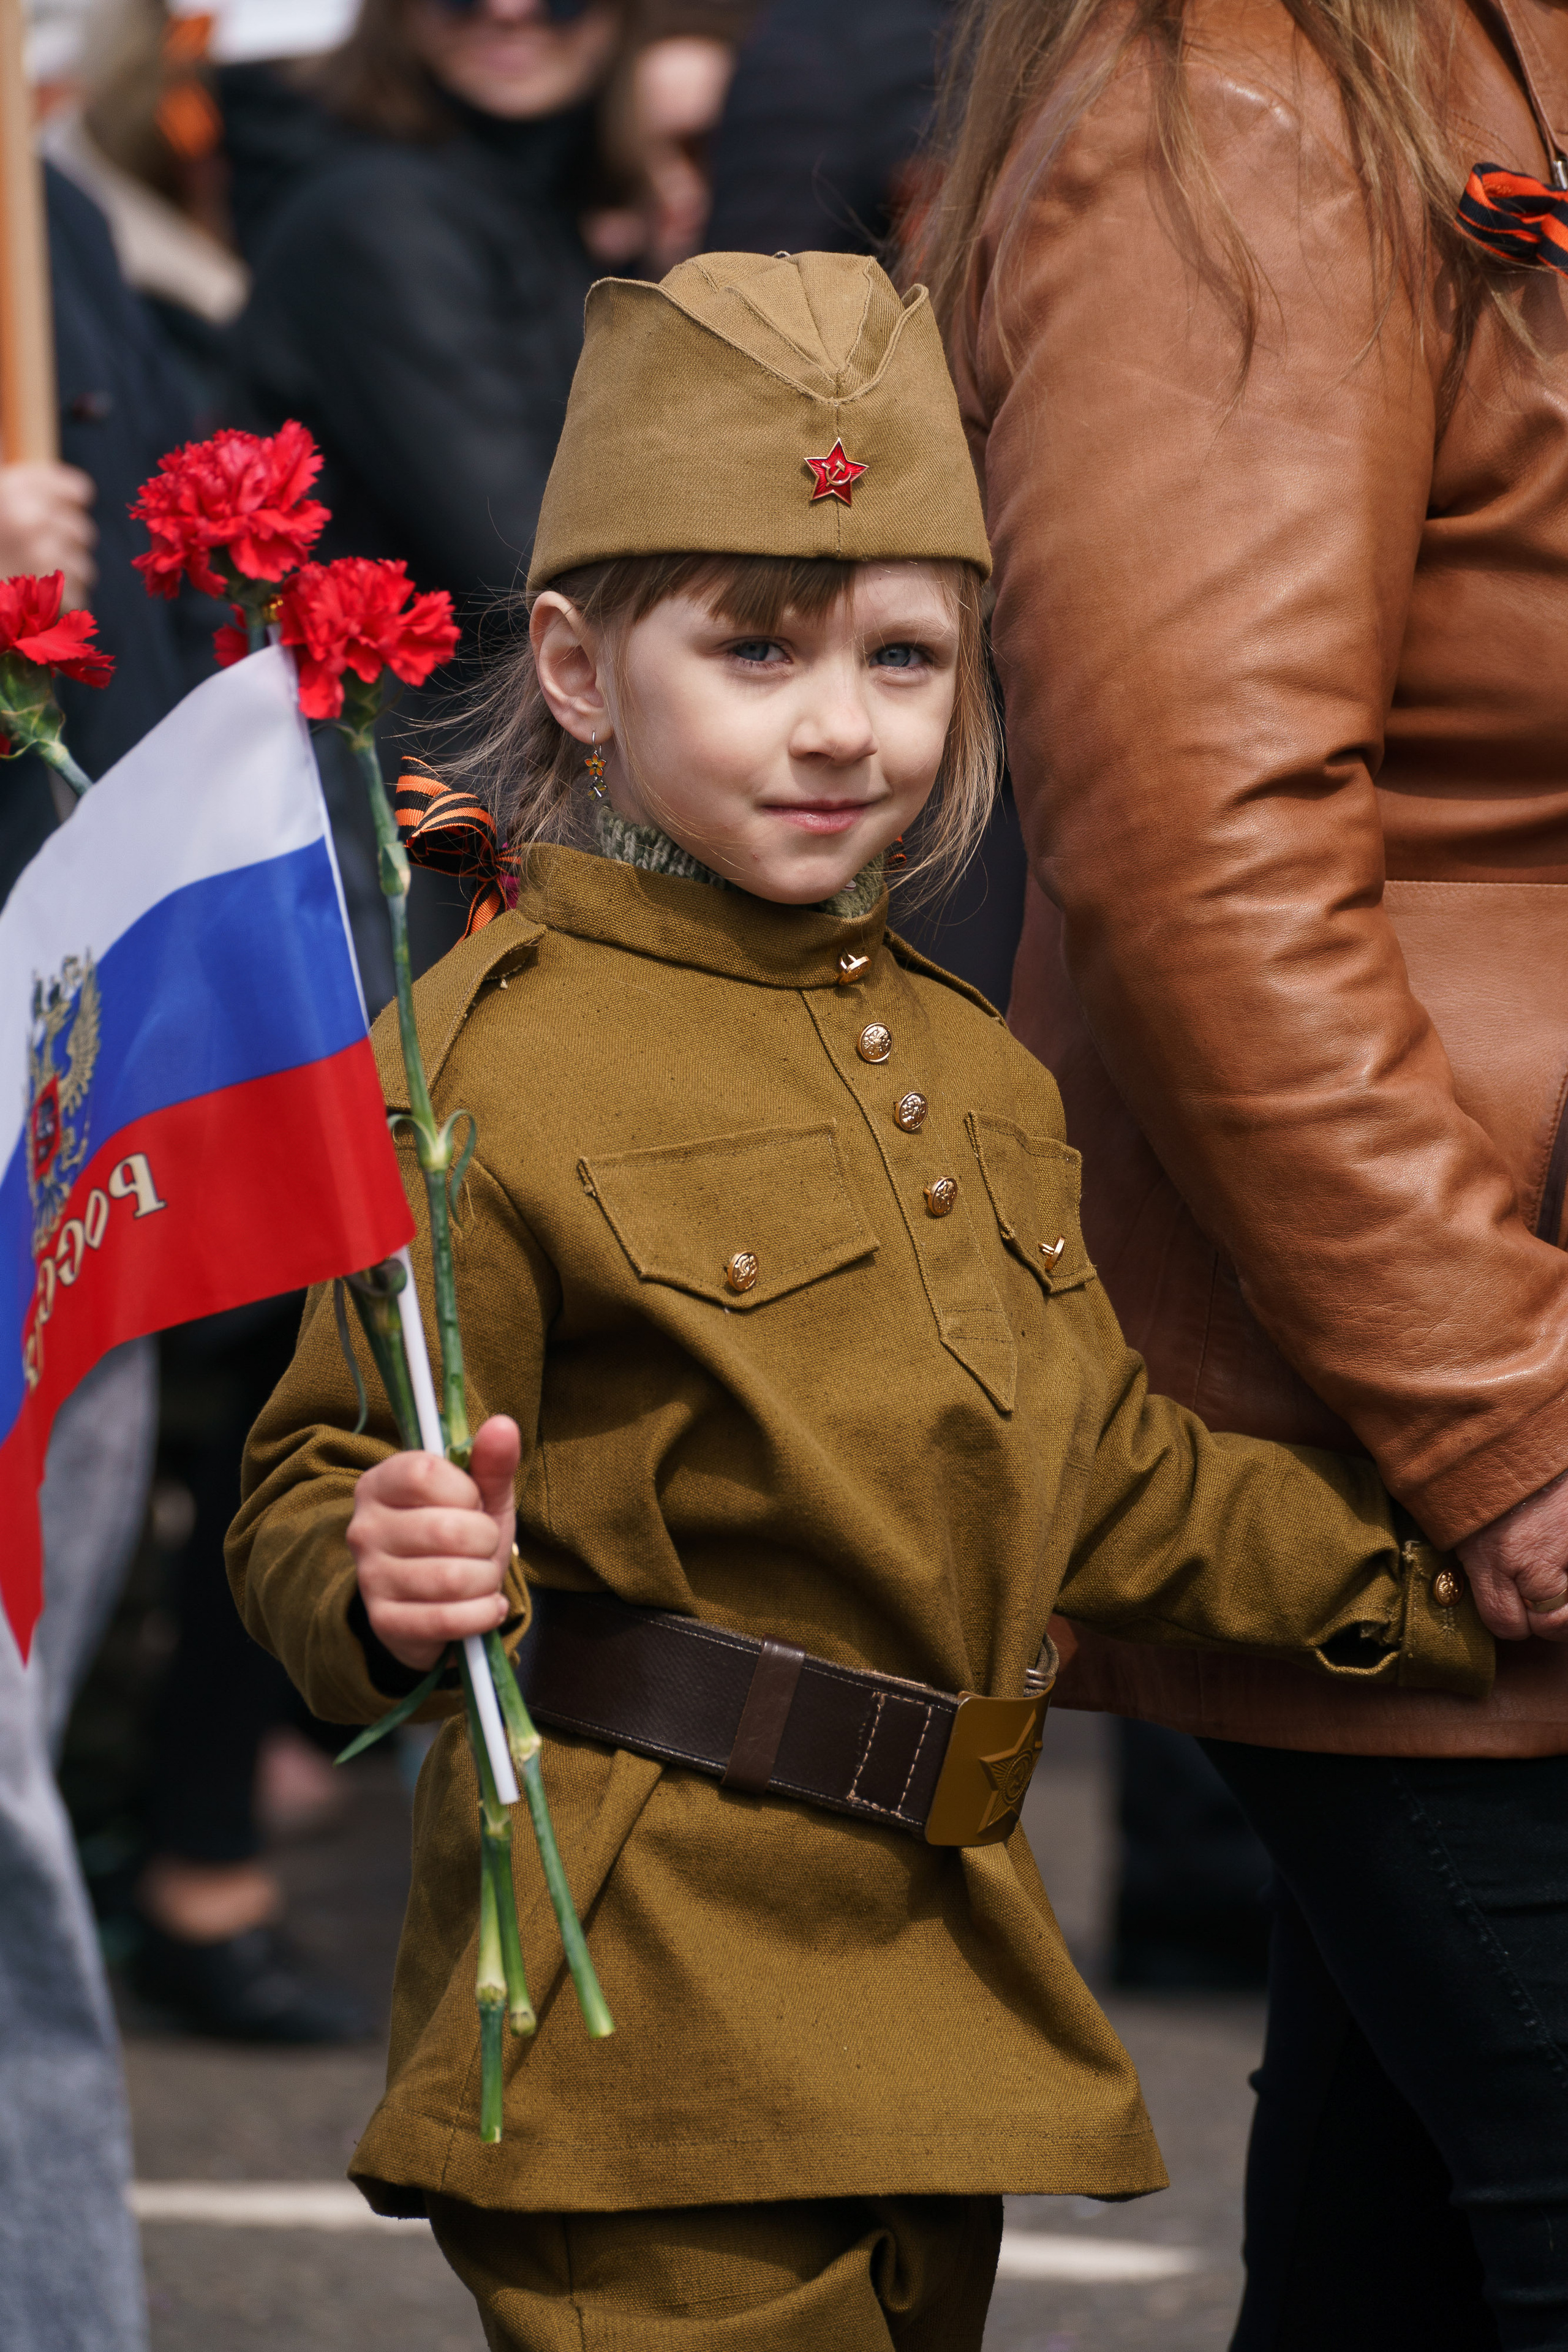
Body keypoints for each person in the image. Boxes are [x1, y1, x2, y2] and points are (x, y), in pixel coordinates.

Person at [226, 247, 1488, 2349]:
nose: (842, 727)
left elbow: (1118, 1478)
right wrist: (375, 1572)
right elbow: (323, 1470)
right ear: (574, 664)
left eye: (908, 657)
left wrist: (1465, 1584)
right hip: (648, 2010)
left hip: (933, 1988)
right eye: (755, 646)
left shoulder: (975, 1058)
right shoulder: (485, 1057)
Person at [929, 0, 1568, 2342]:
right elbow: (1195, 834)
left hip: (1458, 1354)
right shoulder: (1254, 81)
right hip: (1430, 1387)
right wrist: (1496, 1402)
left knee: (1402, 2243)